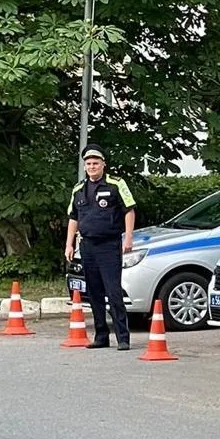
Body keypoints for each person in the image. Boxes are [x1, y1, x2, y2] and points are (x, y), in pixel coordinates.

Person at [64, 144, 136, 350]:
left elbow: (129, 210)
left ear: (103, 164)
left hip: (109, 244)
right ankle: (101, 336)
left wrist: (128, 238)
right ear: (84, 166)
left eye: (96, 163)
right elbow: (73, 217)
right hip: (87, 246)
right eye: (88, 163)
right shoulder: (78, 189)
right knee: (93, 292)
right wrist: (69, 244)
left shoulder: (115, 184)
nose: (92, 167)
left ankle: (123, 337)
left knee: (113, 292)